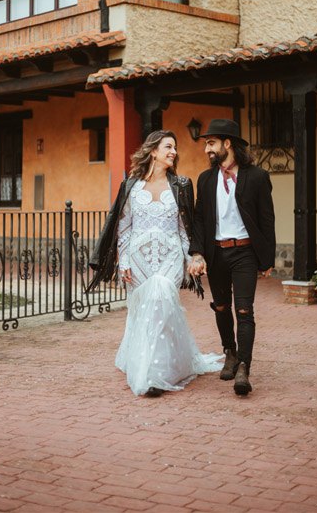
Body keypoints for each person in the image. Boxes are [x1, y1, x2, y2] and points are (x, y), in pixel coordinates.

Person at [88, 130, 221, 397]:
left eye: (174, 148)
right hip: (137, 260)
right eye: (168, 147)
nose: (173, 152)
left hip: (170, 257)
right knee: (144, 312)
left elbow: (184, 228)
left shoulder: (182, 184)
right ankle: (148, 362)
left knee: (161, 301)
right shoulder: (131, 186)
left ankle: (155, 375)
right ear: (152, 151)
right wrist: (122, 261)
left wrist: (189, 257)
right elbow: (123, 229)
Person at [187, 119, 275, 397]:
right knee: (222, 308)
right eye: (206, 144)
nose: (207, 150)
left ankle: (244, 369)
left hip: (245, 252)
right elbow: (200, 219)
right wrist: (198, 252)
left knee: (244, 310)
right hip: (216, 253)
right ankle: (230, 352)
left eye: (211, 143)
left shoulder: (257, 177)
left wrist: (267, 259)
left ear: (227, 143)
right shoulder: (205, 178)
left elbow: (266, 219)